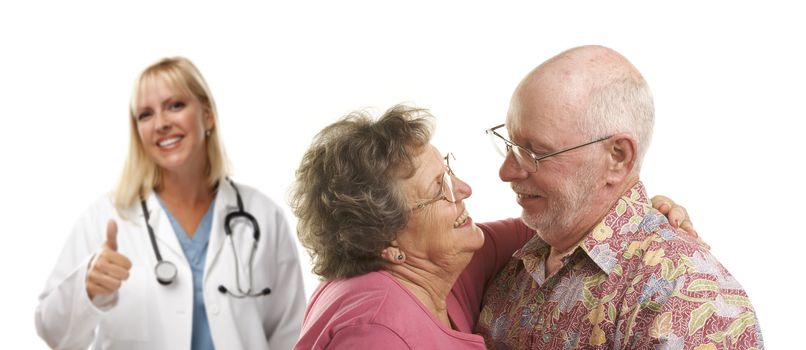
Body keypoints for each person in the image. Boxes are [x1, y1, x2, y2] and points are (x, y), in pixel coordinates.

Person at [290, 105, 693, 349]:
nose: (464, 189)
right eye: (439, 189)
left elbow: (559, 224)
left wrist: (641, 212)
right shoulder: (377, 333)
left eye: (448, 170)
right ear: (386, 239)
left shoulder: (446, 264)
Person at [477, 45, 763, 349]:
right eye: (510, 143)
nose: (506, 172)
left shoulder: (685, 294)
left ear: (618, 157)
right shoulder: (514, 265)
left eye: (534, 151)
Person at [35, 57, 306, 349]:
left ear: (208, 114)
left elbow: (292, 335)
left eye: (175, 105)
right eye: (145, 115)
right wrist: (87, 289)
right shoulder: (106, 217)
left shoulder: (263, 216)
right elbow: (52, 332)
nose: (162, 123)